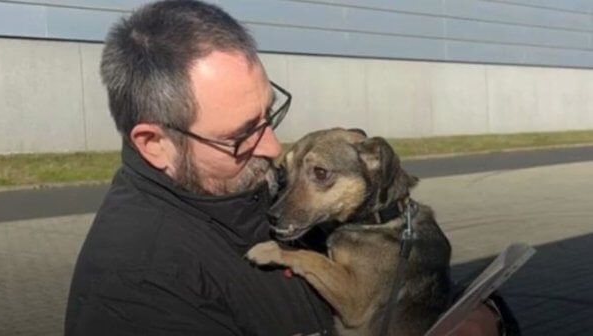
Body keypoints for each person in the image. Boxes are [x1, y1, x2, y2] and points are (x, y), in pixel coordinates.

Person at [64, 1, 515, 335]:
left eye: (269, 114)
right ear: (155, 143)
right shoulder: (137, 289)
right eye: (242, 133)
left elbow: (412, 289)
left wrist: (486, 316)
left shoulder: (253, 186)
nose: (272, 146)